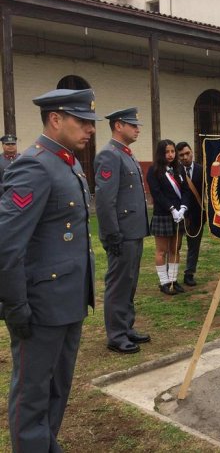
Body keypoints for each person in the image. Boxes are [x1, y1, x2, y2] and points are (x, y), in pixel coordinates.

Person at [0, 88, 98, 451]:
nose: (90, 129)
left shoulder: (66, 162)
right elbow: (7, 244)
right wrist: (15, 306)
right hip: (40, 306)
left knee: (58, 389)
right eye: (82, 121)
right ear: (55, 119)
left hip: (68, 301)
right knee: (32, 394)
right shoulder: (35, 165)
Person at [94, 107, 150, 354]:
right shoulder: (109, 155)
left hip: (133, 230)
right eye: (132, 124)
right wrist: (111, 233)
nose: (137, 128)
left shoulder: (126, 154)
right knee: (118, 284)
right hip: (122, 232)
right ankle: (116, 335)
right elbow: (105, 200)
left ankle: (126, 327)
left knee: (130, 282)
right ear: (118, 125)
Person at [146, 139, 190, 295]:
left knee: (175, 249)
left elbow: (186, 191)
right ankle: (164, 282)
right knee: (161, 251)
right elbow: (157, 194)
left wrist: (183, 207)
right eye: (167, 152)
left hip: (179, 215)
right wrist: (172, 209)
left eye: (172, 151)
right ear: (161, 153)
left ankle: (173, 280)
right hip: (163, 214)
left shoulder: (179, 169)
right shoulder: (153, 171)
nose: (171, 155)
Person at [176, 142, 204, 286]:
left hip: (197, 214)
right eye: (181, 155)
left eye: (187, 153)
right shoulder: (174, 171)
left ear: (192, 152)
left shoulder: (202, 170)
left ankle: (189, 273)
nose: (185, 157)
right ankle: (171, 277)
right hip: (179, 215)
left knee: (194, 246)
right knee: (175, 246)